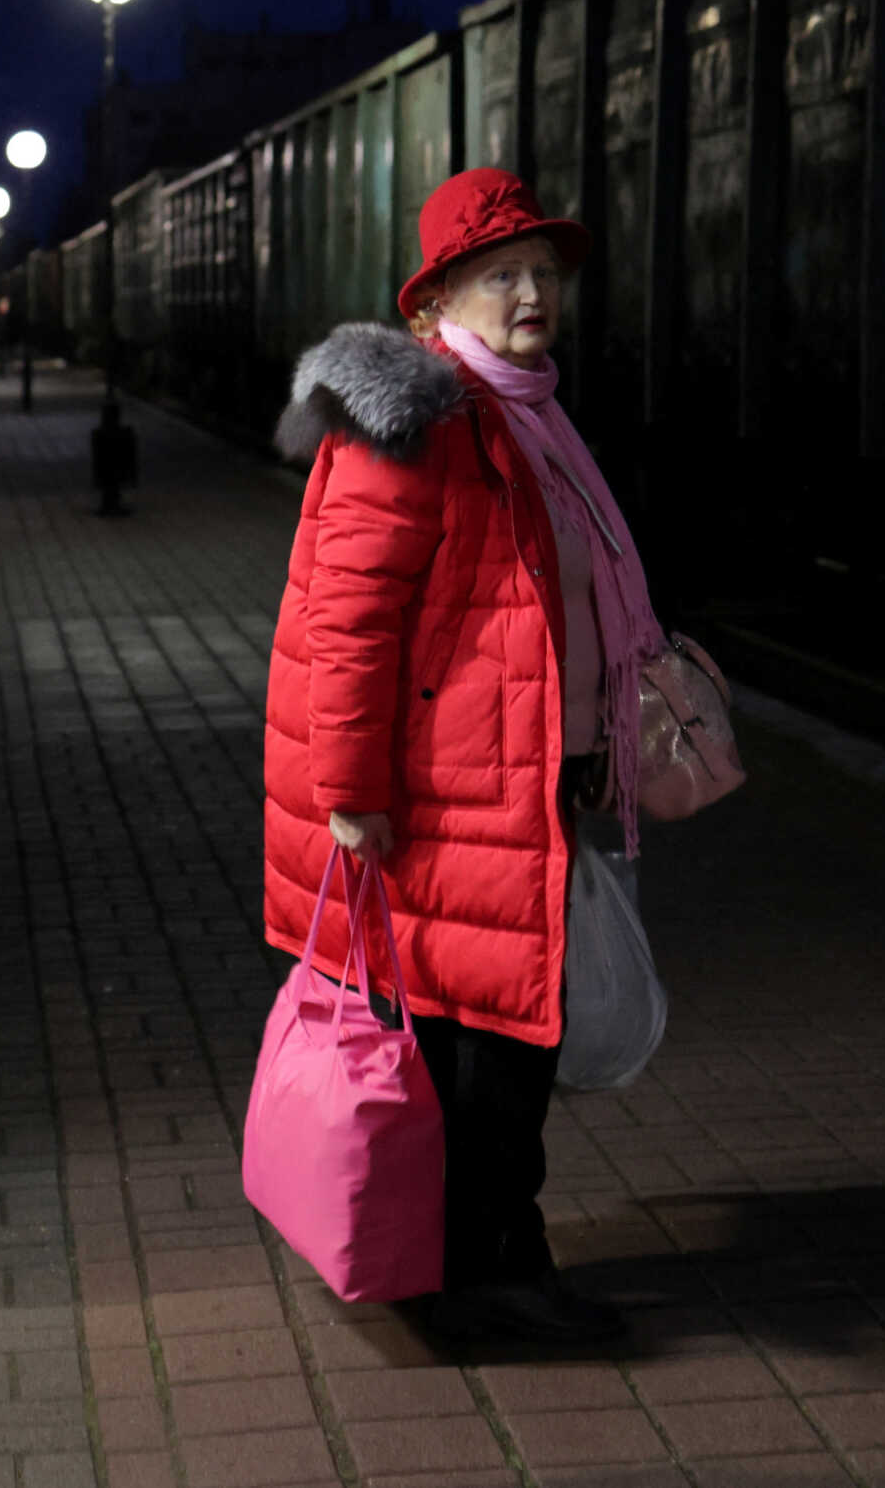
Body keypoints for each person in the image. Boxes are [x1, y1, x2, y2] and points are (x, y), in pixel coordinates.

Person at [262, 167, 667, 1345]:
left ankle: (469, 1264)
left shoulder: (523, 413)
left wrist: (590, 740)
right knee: (482, 1047)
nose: (533, 292)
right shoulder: (421, 418)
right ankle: (486, 1273)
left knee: (488, 1041)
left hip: (518, 776)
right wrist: (349, 794)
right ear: (434, 298)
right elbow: (349, 618)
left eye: (545, 272)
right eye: (503, 275)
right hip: (442, 794)